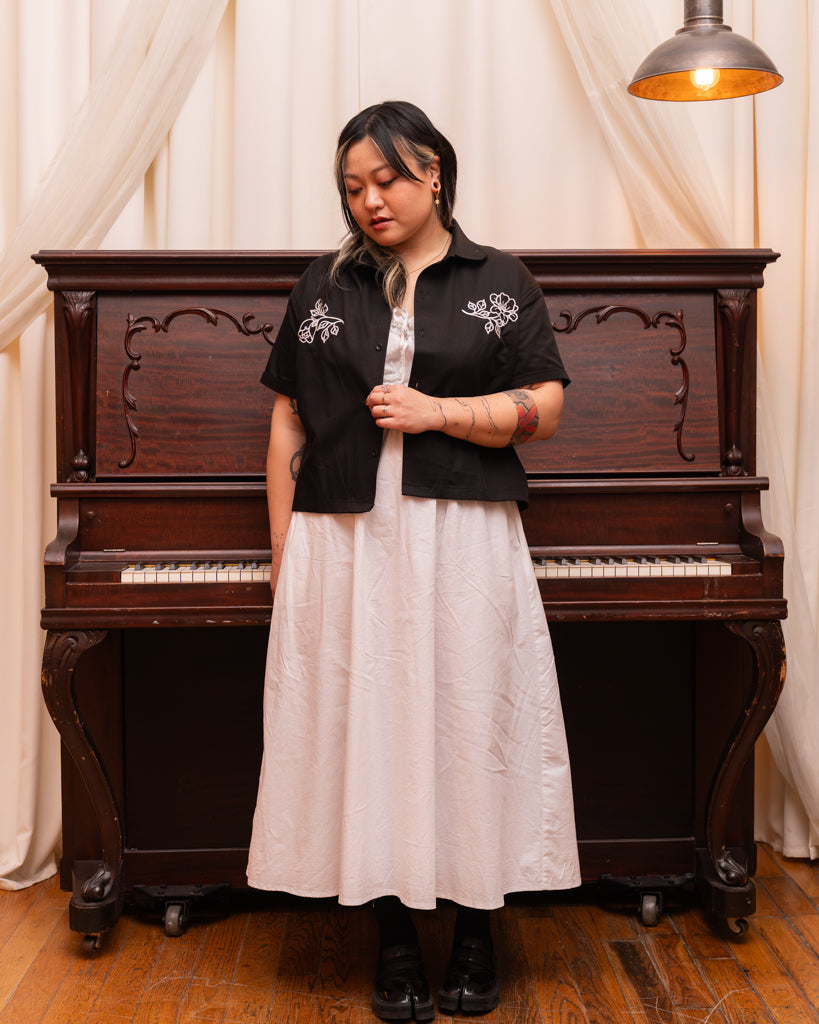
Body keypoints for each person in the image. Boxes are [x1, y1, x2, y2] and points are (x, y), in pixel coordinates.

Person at [247, 100, 580, 1021]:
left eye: (386, 179)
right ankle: (392, 937)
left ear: (433, 170)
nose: (369, 201)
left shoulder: (502, 280)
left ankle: (476, 931)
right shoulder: (320, 285)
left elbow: (545, 409)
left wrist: (441, 414)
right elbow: (284, 425)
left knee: (467, 716)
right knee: (369, 723)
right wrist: (284, 552)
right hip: (343, 538)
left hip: (463, 535)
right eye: (352, 187)